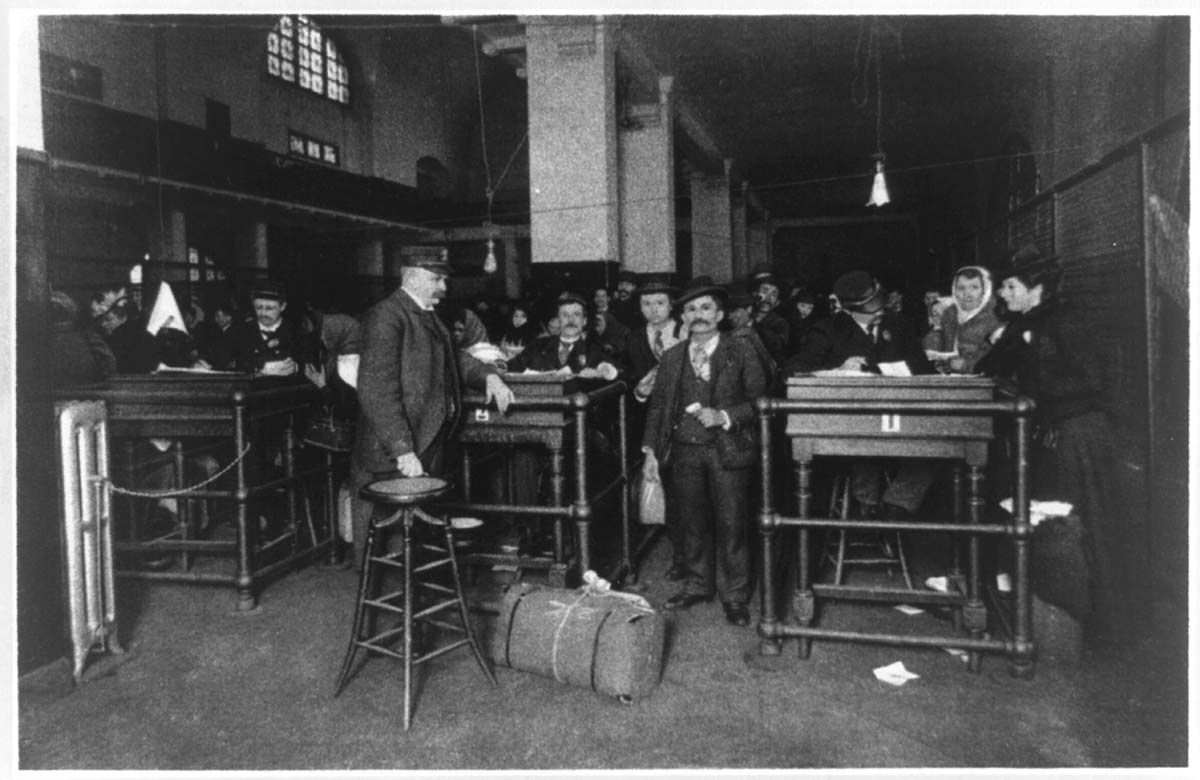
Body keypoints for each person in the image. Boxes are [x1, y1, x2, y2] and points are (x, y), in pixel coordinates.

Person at [976, 246, 1143, 648]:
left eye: (1010, 285)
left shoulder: (1066, 321)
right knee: (1061, 526)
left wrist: (1035, 391)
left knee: (1090, 522)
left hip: (1082, 434)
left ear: (1036, 288)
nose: (1001, 293)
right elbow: (990, 369)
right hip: (1056, 434)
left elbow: (1094, 379)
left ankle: (1108, 627)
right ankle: (1075, 619)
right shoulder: (1024, 324)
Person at [349, 246, 514, 564]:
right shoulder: (387, 316)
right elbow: (377, 390)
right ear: (412, 277)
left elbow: (458, 359)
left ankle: (405, 597)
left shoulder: (426, 316)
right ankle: (394, 603)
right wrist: (402, 449)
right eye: (437, 279)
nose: (444, 287)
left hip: (422, 442)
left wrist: (489, 377)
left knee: (407, 544)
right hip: (392, 453)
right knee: (386, 550)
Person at [641, 278, 768, 626]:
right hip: (684, 453)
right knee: (692, 524)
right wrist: (651, 452)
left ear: (721, 314)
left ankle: (736, 596)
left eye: (707, 308)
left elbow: (761, 401)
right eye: (692, 309)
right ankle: (699, 584)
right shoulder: (671, 357)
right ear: (683, 316)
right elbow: (658, 407)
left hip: (727, 451)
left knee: (733, 524)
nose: (699, 315)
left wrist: (726, 415)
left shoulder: (741, 350)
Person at [783, 270, 935, 524]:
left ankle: (896, 506)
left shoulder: (899, 325)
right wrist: (838, 371)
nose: (878, 311)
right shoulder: (828, 329)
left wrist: (878, 370)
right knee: (865, 447)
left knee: (934, 447)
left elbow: (921, 367)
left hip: (900, 418)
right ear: (849, 309)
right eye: (869, 308)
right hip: (851, 423)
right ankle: (866, 507)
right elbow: (794, 370)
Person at [506, 292, 619, 379]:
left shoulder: (594, 349)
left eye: (576, 315)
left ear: (584, 321)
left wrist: (601, 371)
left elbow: (612, 370)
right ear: (558, 320)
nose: (571, 320)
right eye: (565, 315)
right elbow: (508, 366)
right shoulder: (538, 345)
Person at [923, 265, 1001, 374]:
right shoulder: (949, 314)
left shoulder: (995, 317)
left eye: (974, 287)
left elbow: (999, 358)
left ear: (984, 290)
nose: (967, 294)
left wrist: (967, 365)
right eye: (961, 288)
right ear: (954, 291)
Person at [232, 280, 316, 376]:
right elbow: (231, 363)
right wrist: (261, 369)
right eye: (258, 308)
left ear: (283, 307)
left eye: (269, 308)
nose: (263, 313)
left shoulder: (296, 331)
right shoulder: (241, 331)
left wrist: (295, 367)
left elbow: (311, 363)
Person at [50, 289, 117, 386]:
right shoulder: (88, 337)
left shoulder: (34, 342)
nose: (102, 309)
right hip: (87, 395)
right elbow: (109, 365)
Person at [90, 287, 159, 373]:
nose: (103, 324)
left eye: (108, 319)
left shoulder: (112, 340)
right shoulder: (147, 336)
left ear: (123, 317)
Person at [750, 271, 790, 368]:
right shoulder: (745, 315)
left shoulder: (780, 323)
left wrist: (755, 325)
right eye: (764, 291)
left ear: (777, 302)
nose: (768, 298)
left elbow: (778, 345)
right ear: (755, 294)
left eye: (773, 294)